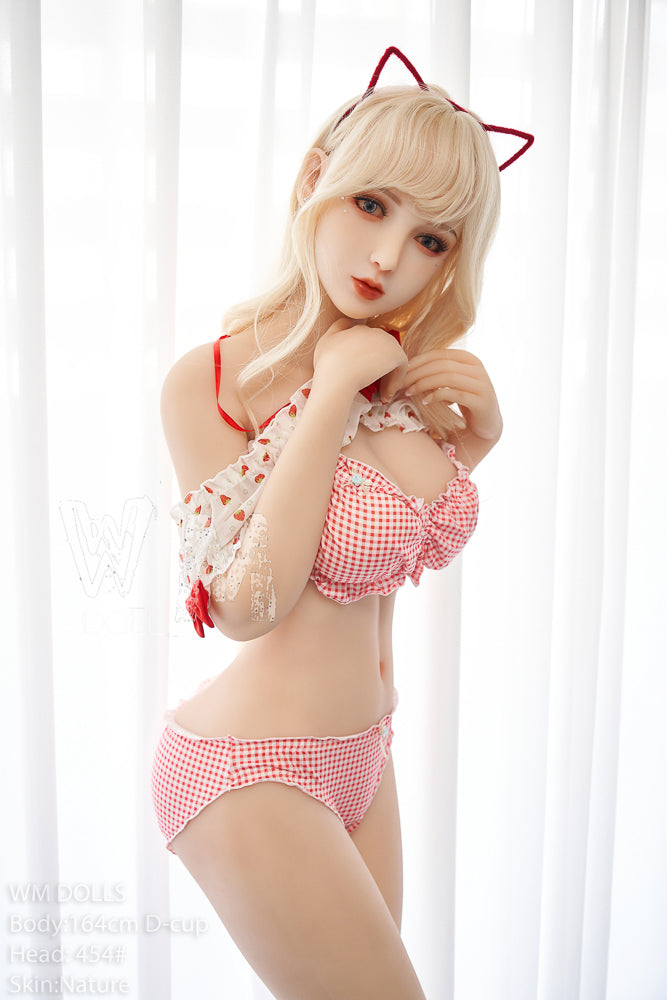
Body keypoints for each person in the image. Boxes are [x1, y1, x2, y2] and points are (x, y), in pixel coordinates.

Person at [151, 47, 532, 1000]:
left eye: (430, 238)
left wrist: (474, 446)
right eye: (371, 205)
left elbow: (380, 557)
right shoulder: (213, 380)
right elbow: (246, 607)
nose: (388, 257)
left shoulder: (394, 371)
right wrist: (327, 398)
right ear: (315, 179)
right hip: (249, 767)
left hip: (364, 752)